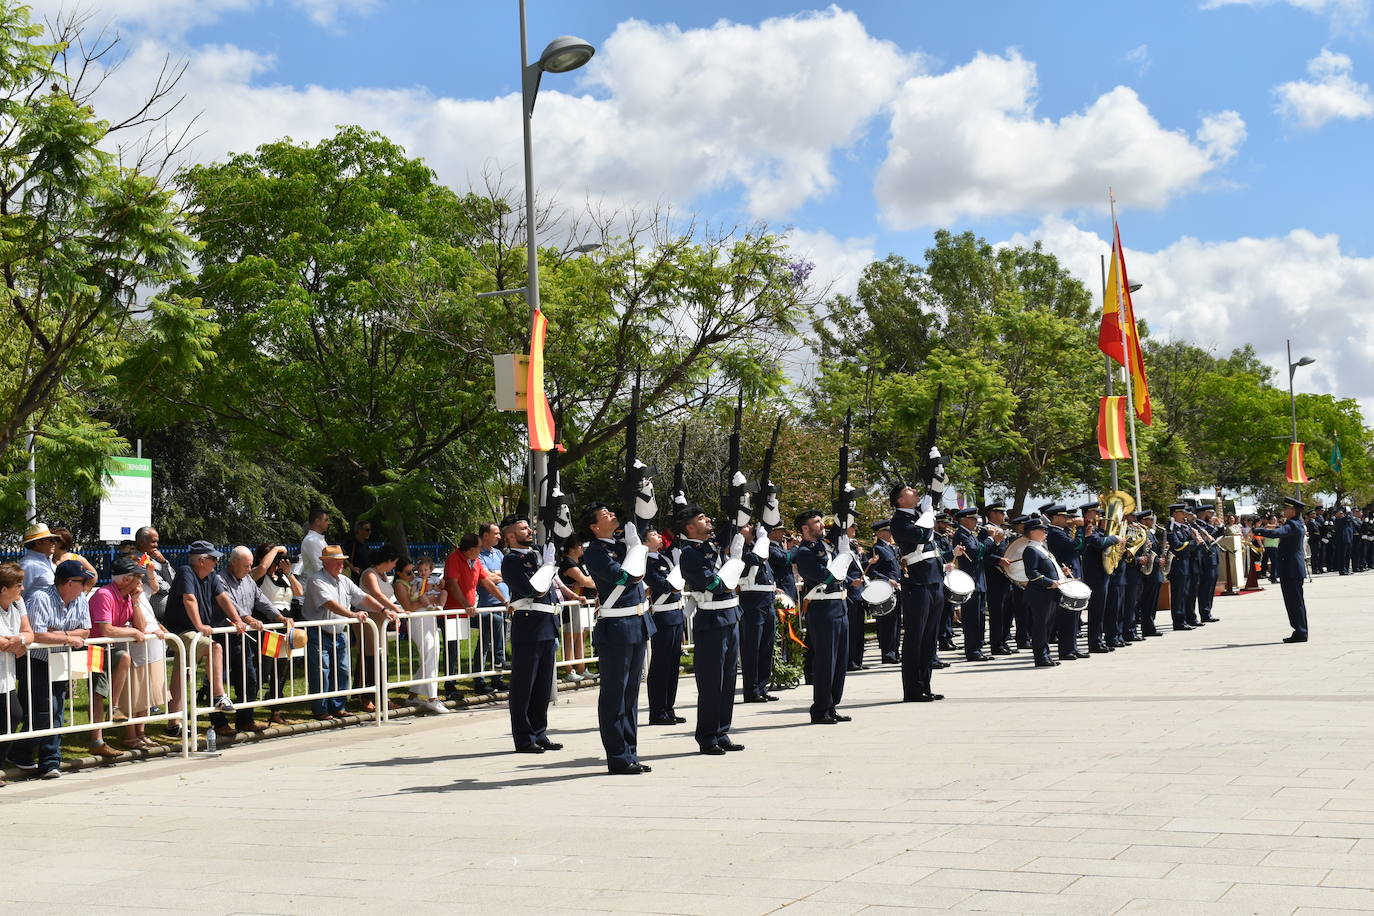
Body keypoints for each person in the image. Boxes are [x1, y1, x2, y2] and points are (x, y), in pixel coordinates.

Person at [581, 504, 655, 775]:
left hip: (636, 623)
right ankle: (618, 756)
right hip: (616, 627)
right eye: (605, 515)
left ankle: (630, 752)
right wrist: (636, 548)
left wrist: (635, 542)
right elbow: (625, 577)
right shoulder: (595, 551)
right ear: (594, 526)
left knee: (631, 694)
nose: (612, 515)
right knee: (615, 694)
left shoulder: (621, 545)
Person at [8, 560, 91, 778]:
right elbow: (37, 634)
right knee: (45, 710)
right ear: (69, 582)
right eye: (82, 582)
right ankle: (21, 751)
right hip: (36, 661)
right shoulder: (40, 597)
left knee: (58, 710)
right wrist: (68, 637)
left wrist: (58, 634)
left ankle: (49, 761)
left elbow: (85, 631)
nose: (86, 587)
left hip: (61, 661)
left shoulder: (80, 599)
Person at [676, 504, 745, 755]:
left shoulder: (711, 547)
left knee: (728, 680)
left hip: (730, 616)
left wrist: (740, 501)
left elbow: (736, 523)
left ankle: (722, 731)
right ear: (690, 527)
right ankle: (707, 737)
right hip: (712, 620)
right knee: (711, 682)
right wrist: (732, 569)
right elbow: (715, 584)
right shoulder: (689, 554)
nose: (708, 520)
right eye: (701, 518)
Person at [162, 541, 249, 735]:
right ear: (201, 560)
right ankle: (219, 695)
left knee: (181, 674)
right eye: (213, 558)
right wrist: (200, 625)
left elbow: (223, 598)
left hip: (193, 633)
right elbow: (189, 598)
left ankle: (173, 723)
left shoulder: (211, 576)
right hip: (180, 631)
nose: (217, 562)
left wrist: (238, 620)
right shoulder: (186, 572)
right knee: (214, 647)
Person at [499, 515, 562, 754]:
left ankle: (539, 732)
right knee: (524, 686)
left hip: (547, 625)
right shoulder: (511, 561)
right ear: (510, 536)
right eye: (523, 528)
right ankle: (524, 738)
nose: (529, 531)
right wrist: (546, 568)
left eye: (528, 527)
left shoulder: (537, 555)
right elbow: (531, 590)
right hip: (528, 627)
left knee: (543, 686)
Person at [302, 544, 388, 720]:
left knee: (342, 670)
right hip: (318, 632)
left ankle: (339, 707)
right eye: (337, 561)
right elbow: (330, 603)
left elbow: (363, 597)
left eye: (342, 561)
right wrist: (352, 614)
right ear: (325, 562)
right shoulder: (316, 580)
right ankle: (320, 709)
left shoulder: (344, 580)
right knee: (321, 671)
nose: (341, 564)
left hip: (339, 632)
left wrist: (383, 609)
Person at [217, 546, 292, 734]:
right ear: (234, 563)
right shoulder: (220, 580)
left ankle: (245, 720)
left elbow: (261, 600)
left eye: (251, 565)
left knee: (249, 679)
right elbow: (230, 604)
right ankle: (219, 724)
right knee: (216, 681)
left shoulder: (248, 580)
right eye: (246, 565)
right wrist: (249, 619)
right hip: (223, 635)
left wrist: (279, 617)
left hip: (242, 637)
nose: (250, 569)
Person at [87, 556, 151, 756]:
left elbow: (141, 628)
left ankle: (114, 707)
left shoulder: (128, 597)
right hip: (93, 648)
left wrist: (136, 602)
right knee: (97, 693)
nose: (141, 582)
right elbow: (106, 630)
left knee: (124, 658)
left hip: (108, 648)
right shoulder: (104, 595)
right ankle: (96, 740)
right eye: (138, 577)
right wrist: (132, 632)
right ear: (126, 579)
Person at [793, 509, 850, 724]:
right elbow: (826, 576)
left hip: (839, 605)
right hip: (823, 609)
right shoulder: (804, 552)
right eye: (816, 522)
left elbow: (840, 527)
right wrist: (843, 558)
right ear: (805, 528)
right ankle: (820, 709)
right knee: (826, 661)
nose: (822, 524)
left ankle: (832, 705)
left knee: (840, 661)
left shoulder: (824, 546)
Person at [890, 484, 944, 702]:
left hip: (934, 580)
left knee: (930, 637)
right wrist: (929, 512)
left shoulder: (917, 514)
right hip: (917, 583)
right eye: (909, 490)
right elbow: (923, 534)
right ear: (900, 500)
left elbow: (935, 492)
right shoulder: (899, 520)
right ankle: (913, 689)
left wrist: (936, 481)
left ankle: (925, 685)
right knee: (916, 637)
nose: (915, 491)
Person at [444, 533, 505, 694]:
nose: (481, 549)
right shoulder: (454, 558)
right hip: (454, 612)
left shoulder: (476, 561)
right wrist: (466, 605)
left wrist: (504, 601)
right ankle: (450, 686)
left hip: (469, 611)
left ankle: (491, 668)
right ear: (470, 549)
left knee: (495, 620)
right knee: (452, 648)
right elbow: (452, 585)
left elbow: (486, 582)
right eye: (479, 547)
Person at [391, 557, 446, 715]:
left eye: (413, 572)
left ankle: (413, 695)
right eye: (409, 572)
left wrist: (434, 593)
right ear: (399, 573)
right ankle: (432, 698)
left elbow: (438, 588)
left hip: (429, 617)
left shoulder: (418, 581)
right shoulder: (400, 585)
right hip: (418, 620)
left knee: (432, 654)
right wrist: (426, 600)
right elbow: (408, 606)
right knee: (430, 654)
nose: (413, 575)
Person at [253, 544, 301, 724]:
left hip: (284, 630)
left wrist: (289, 573)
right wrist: (276, 549)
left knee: (281, 671)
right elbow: (262, 568)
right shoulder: (258, 576)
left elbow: (299, 592)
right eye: (275, 557)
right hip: (269, 629)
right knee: (264, 670)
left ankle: (276, 711)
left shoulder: (283, 576)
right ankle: (247, 709)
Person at [644, 528, 686, 726]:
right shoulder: (646, 563)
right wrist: (677, 571)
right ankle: (657, 711)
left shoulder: (665, 559)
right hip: (662, 616)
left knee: (672, 665)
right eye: (653, 535)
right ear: (645, 542)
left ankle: (669, 708)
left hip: (675, 615)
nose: (659, 536)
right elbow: (663, 585)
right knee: (661, 665)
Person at [1253, 498, 1310, 643]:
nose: (1284, 511)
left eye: (1286, 509)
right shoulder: (1297, 524)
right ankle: (1300, 630)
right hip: (1292, 568)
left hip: (1291, 569)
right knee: (1294, 602)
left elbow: (1277, 533)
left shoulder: (1293, 525)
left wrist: (1259, 530)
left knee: (1294, 602)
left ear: (1293, 511)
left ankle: (1301, 632)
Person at [357, 546, 403, 712]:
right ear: (387, 561)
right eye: (394, 562)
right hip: (368, 617)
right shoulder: (369, 574)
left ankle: (382, 695)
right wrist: (396, 609)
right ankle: (367, 697)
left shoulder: (383, 575)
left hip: (381, 618)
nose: (394, 566)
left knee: (382, 657)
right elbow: (377, 595)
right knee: (370, 656)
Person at [0, 562, 34, 785]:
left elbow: (29, 634)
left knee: (14, 715)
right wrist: (15, 644)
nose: (22, 589)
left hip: (6, 677)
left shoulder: (16, 606)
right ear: (4, 589)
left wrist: (19, 640)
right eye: (18, 585)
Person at [738, 523, 779, 703]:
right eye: (746, 526)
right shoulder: (741, 549)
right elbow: (754, 560)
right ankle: (751, 690)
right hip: (752, 601)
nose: (751, 528)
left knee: (766, 647)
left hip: (767, 600)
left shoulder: (758, 545)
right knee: (752, 648)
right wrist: (762, 540)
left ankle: (762, 686)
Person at [1020, 517, 1063, 667]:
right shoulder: (1031, 550)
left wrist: (1061, 573)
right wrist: (1049, 582)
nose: (1045, 531)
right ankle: (1041, 658)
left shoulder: (1041, 547)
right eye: (1042, 529)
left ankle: (1046, 656)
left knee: (1047, 626)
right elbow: (1032, 573)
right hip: (1040, 594)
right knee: (1040, 626)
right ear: (1032, 532)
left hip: (1049, 593)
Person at [474, 522, 512, 691]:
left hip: (504, 605)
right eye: (495, 533)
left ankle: (498, 678)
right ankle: (479, 681)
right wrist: (501, 575)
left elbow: (507, 573)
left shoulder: (498, 553)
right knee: (484, 644)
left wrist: (498, 575)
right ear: (485, 535)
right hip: (488, 606)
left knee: (501, 643)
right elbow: (486, 578)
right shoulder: (478, 555)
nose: (499, 536)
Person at [1080, 503, 1119, 654]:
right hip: (1094, 575)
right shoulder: (1087, 528)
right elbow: (1098, 543)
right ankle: (1094, 643)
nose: (1099, 516)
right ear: (1088, 514)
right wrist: (1114, 538)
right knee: (1096, 610)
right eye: (1095, 513)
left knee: (1101, 610)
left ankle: (1099, 640)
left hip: (1102, 573)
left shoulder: (1096, 529)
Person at [952, 507, 990, 662]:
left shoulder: (970, 535)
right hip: (970, 581)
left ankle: (978, 648)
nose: (976, 522)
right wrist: (989, 540)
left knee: (980, 617)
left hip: (978, 580)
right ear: (965, 520)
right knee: (972, 619)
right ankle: (972, 650)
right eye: (973, 519)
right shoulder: (961, 535)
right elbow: (976, 552)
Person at [556, 539, 595, 682]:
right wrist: (591, 580)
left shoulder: (580, 562)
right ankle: (569, 670)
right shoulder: (567, 563)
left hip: (583, 604)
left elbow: (589, 580)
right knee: (571, 637)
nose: (582, 547)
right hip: (571, 604)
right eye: (579, 545)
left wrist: (590, 580)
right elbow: (585, 581)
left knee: (581, 636)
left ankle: (581, 669)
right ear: (572, 549)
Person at [869, 520, 903, 664]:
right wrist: (887, 580)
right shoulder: (877, 548)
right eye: (888, 531)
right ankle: (888, 653)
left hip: (896, 588)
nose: (891, 533)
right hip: (885, 590)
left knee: (896, 622)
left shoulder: (891, 548)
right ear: (880, 533)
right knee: (887, 623)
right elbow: (872, 571)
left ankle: (895, 651)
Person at [134, 526, 175, 623]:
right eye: (153, 542)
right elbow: (162, 589)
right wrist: (174, 589)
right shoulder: (138, 561)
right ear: (141, 542)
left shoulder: (155, 559)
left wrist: (164, 563)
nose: (156, 545)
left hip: (167, 600)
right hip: (153, 604)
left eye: (157, 542)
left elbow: (174, 580)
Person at [19, 523, 58, 601]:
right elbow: (18, 595)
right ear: (38, 543)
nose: (54, 543)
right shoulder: (28, 565)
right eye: (51, 540)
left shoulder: (47, 561)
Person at [299, 509, 330, 578]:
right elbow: (320, 567)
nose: (328, 523)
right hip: (319, 582)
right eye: (326, 520)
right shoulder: (312, 540)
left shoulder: (317, 539)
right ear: (317, 521)